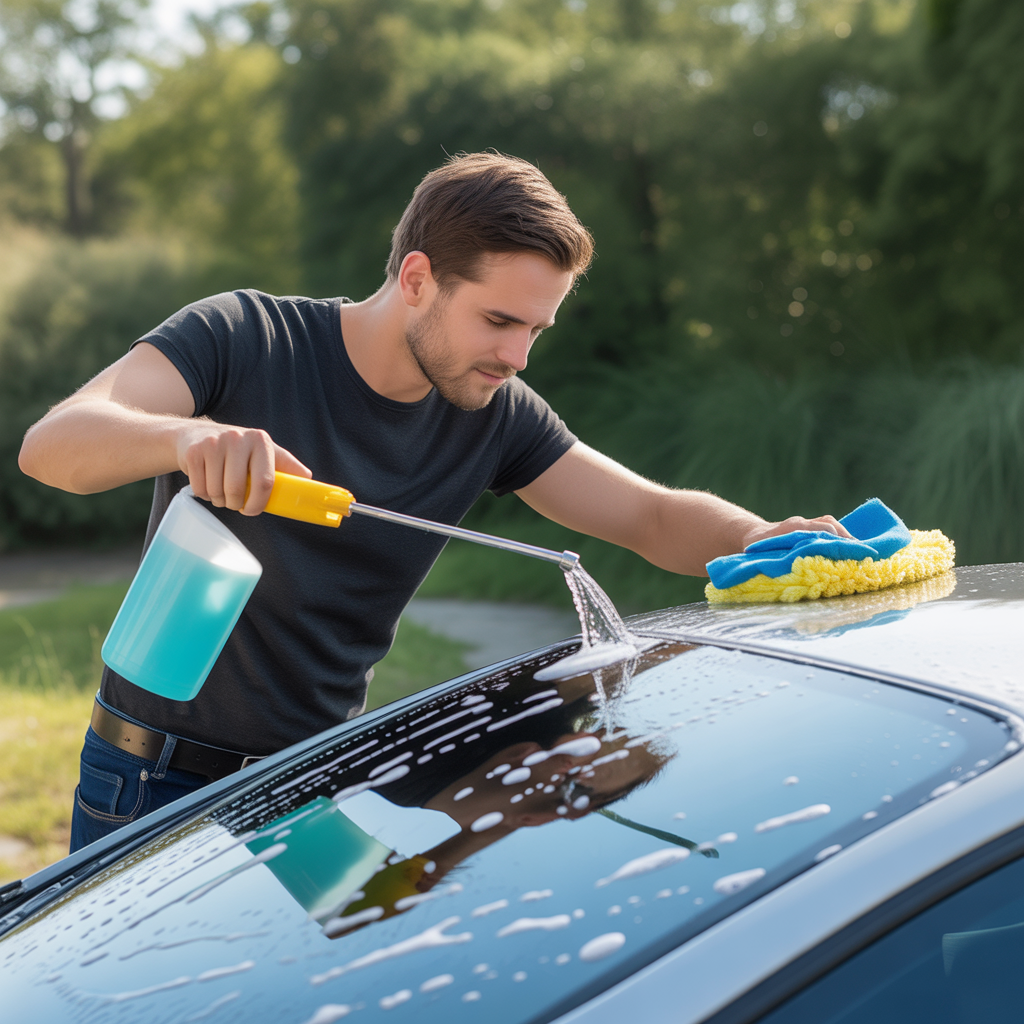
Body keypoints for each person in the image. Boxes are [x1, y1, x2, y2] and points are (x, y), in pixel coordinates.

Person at [18, 151, 849, 853]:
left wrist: (765, 537)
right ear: (417, 278)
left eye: (536, 330)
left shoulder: (490, 413)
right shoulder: (245, 336)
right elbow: (53, 447)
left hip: (320, 796)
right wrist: (186, 440)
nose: (517, 355)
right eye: (499, 320)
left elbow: (652, 516)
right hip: (152, 782)